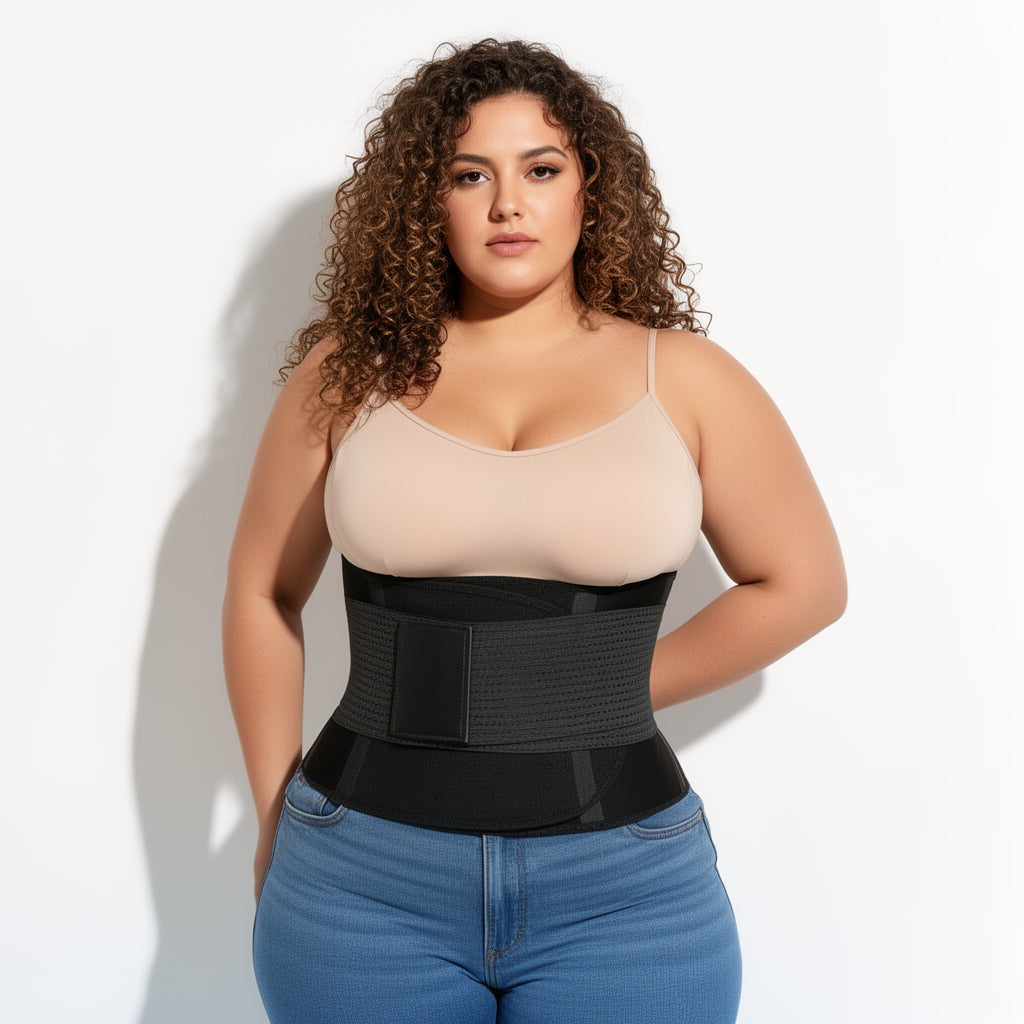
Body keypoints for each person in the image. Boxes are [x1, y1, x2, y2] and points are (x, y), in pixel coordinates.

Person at [223, 38, 846, 1024]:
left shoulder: (686, 379)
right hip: (359, 881)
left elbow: (805, 585)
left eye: (541, 170)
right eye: (469, 175)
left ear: (591, 189)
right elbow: (263, 590)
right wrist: (271, 812)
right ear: (425, 201)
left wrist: (593, 688)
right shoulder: (347, 375)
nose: (507, 204)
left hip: (624, 893)